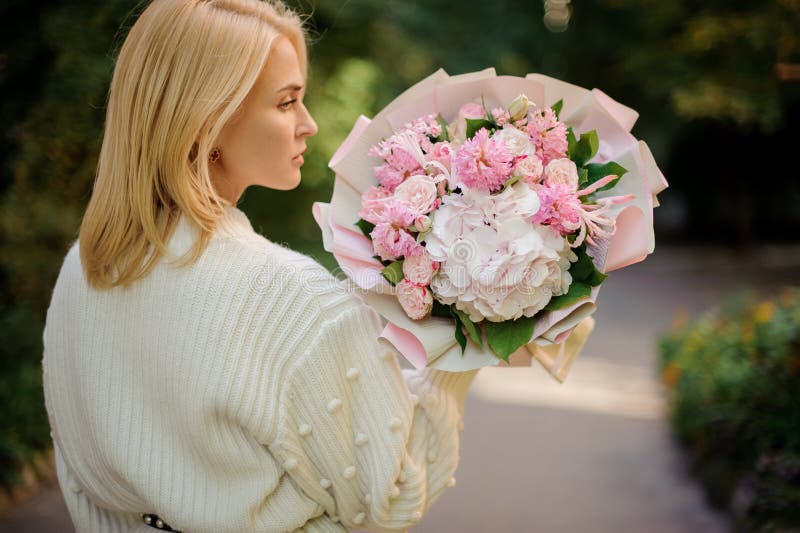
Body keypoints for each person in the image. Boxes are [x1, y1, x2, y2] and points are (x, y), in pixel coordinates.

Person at [41, 0, 479, 531]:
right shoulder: (297, 300)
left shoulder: (84, 273)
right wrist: (465, 346)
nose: (309, 124)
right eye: (286, 102)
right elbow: (391, 497)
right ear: (206, 119)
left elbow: (89, 489)